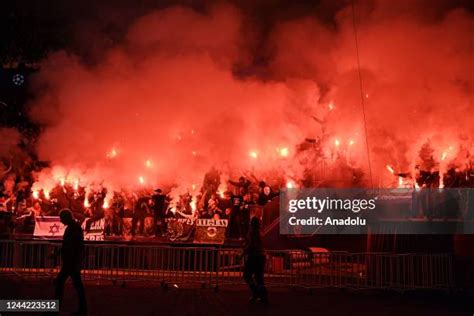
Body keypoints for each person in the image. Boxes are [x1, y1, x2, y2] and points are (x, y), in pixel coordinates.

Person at [54, 209, 87, 314]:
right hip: (72, 262)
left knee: (62, 283)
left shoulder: (73, 228)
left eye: (62, 218)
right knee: (77, 286)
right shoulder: (74, 227)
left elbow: (72, 246)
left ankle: (55, 309)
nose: (61, 221)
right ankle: (82, 309)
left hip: (71, 262)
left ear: (66, 217)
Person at [243, 217, 268, 304]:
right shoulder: (261, 232)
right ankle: (263, 296)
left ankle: (256, 292)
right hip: (261, 256)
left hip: (254, 256)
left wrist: (244, 252)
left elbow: (251, 245)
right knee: (259, 277)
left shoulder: (253, 233)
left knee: (247, 275)